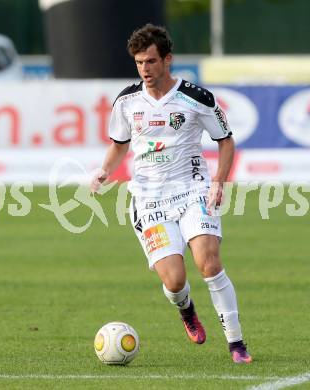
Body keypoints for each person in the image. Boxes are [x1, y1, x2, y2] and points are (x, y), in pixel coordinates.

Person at [90, 23, 252, 364]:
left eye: (150, 61)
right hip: (149, 200)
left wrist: (219, 181)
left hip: (193, 189)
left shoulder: (196, 98)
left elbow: (225, 140)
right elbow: (119, 146)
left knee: (208, 263)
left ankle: (236, 344)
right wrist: (105, 169)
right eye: (139, 63)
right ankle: (186, 310)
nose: (145, 69)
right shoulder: (127, 102)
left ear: (168, 59)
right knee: (175, 280)